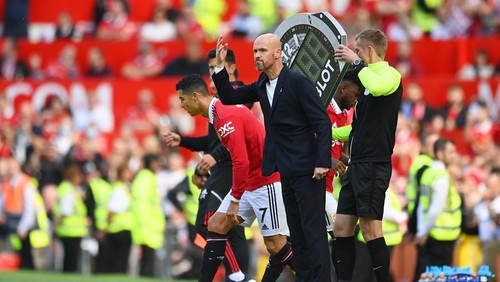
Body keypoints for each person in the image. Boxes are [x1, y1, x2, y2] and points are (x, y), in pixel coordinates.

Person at [212, 34, 332, 281]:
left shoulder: (298, 82)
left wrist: (322, 162)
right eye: (255, 51)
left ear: (278, 53)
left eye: (263, 50)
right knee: (297, 235)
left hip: (309, 169)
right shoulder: (260, 84)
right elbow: (228, 97)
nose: (257, 55)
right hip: (284, 171)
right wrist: (219, 65)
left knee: (314, 233)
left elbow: (322, 121)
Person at [167, 74, 294, 282]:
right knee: (216, 224)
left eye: (182, 99)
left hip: (265, 182)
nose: (181, 105)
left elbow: (241, 161)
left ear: (195, 97)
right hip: (250, 183)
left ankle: (315, 276)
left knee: (276, 245)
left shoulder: (224, 116)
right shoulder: (219, 113)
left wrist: (234, 200)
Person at [163, 48, 250, 281]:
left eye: (215, 68)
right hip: (224, 167)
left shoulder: (238, 95)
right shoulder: (218, 103)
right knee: (229, 229)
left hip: (233, 166)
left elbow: (233, 138)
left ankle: (237, 275)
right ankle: (240, 276)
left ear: (230, 68)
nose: (212, 73)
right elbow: (213, 142)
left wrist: (215, 157)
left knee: (209, 221)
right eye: (210, 68)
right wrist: (184, 141)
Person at [333, 28, 403, 282]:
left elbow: (376, 85)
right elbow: (358, 128)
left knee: (371, 229)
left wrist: (357, 62)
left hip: (375, 164)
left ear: (369, 51)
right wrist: (331, 133)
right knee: (341, 227)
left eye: (359, 49)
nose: (356, 53)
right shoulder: (364, 78)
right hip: (357, 164)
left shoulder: (389, 75)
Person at [325, 70, 363, 273]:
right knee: (342, 231)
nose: (355, 101)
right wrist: (327, 159)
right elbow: (306, 137)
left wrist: (351, 160)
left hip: (327, 187)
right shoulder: (323, 108)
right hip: (315, 185)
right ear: (343, 89)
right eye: (355, 95)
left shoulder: (342, 116)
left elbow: (338, 150)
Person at [414, 138, 462, 281]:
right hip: (442, 237)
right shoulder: (442, 177)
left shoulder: (428, 173)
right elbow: (435, 209)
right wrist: (423, 232)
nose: (454, 155)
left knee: (428, 276)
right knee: (440, 277)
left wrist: (421, 231)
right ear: (440, 154)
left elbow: (422, 205)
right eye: (450, 152)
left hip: (430, 233)